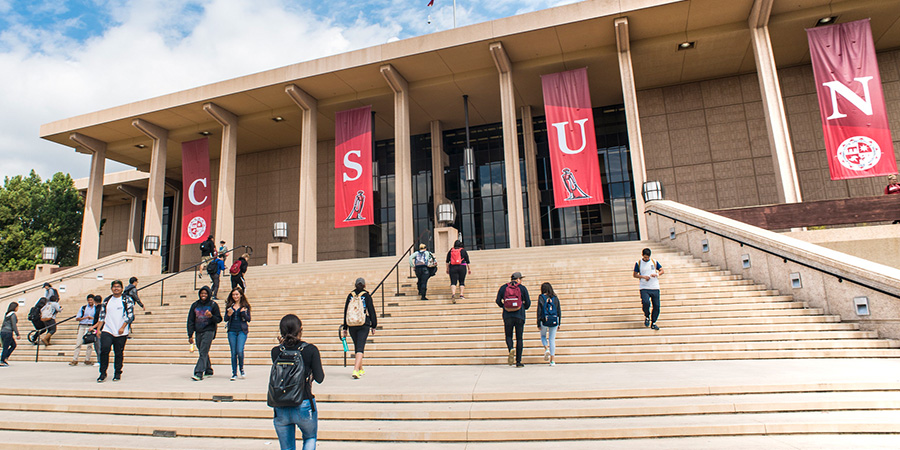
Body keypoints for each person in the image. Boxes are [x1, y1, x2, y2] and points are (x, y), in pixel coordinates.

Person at [270, 314, 324, 450]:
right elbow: (320, 378)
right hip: (303, 401)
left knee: (287, 448)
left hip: (281, 403)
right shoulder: (310, 350)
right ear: (300, 329)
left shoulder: (276, 351)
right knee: (310, 438)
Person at [92, 280, 136, 382]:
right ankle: (102, 373)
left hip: (121, 331)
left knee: (118, 352)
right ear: (111, 288)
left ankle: (117, 373)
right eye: (114, 287)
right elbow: (102, 316)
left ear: (121, 288)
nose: (116, 288)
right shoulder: (107, 300)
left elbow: (130, 315)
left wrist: (123, 326)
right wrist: (98, 329)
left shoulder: (126, 300)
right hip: (108, 329)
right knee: (104, 350)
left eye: (118, 287)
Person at [341, 278, 377, 379]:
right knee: (360, 347)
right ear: (365, 285)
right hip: (363, 323)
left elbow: (346, 311)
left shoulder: (350, 296)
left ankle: (360, 368)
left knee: (357, 346)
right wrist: (374, 325)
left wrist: (345, 327)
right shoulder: (366, 295)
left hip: (352, 324)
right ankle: (356, 370)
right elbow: (371, 311)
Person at [495, 272, 531, 368]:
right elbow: (528, 303)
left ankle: (511, 348)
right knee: (519, 338)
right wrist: (523, 306)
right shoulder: (522, 288)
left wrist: (504, 306)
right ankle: (518, 361)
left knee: (508, 335)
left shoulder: (503, 288)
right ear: (518, 279)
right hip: (519, 315)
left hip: (507, 315)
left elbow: (497, 300)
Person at [187, 286, 222, 381]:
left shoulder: (213, 305)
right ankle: (208, 369)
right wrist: (190, 334)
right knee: (202, 351)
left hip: (209, 330)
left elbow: (219, 319)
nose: (203, 295)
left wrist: (211, 316)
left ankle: (198, 372)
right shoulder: (195, 305)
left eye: (205, 293)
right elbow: (190, 320)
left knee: (203, 351)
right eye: (202, 293)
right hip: (198, 331)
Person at [633, 247, 664, 331]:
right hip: (644, 287)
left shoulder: (654, 262)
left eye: (648, 257)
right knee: (646, 302)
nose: (646, 258)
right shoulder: (638, 263)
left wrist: (657, 274)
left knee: (656, 305)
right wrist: (643, 277)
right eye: (645, 257)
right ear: (642, 255)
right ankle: (647, 315)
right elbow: (635, 274)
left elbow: (662, 270)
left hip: (654, 286)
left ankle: (653, 322)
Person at [224, 287, 251, 381]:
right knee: (233, 352)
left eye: (237, 294)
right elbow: (225, 319)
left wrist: (243, 313)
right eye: (233, 295)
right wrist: (229, 314)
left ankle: (241, 368)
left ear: (241, 295)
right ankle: (234, 372)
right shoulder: (229, 306)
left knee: (240, 350)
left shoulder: (245, 306)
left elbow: (249, 319)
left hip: (241, 330)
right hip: (232, 330)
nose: (235, 296)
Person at [536, 282, 562, 366]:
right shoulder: (555, 298)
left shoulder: (541, 297)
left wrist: (538, 322)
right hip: (554, 320)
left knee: (543, 336)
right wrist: (559, 322)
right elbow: (559, 311)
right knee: (552, 339)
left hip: (544, 320)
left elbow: (539, 310)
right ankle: (552, 360)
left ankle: (546, 348)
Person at [70, 295, 98, 366]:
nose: (90, 301)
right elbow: (77, 318)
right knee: (78, 343)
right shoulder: (83, 308)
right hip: (83, 325)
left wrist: (91, 318)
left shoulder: (96, 308)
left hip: (91, 326)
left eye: (91, 300)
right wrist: (85, 318)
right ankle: (75, 359)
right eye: (89, 300)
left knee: (90, 344)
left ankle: (87, 359)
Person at [1, 302, 20, 366]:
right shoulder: (13, 315)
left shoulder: (7, 314)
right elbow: (13, 325)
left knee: (13, 345)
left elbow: (3, 324)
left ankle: (5, 357)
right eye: (17, 307)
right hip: (8, 332)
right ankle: (2, 360)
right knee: (6, 347)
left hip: (3, 331)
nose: (17, 308)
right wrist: (17, 334)